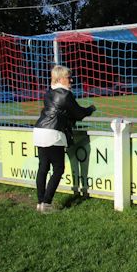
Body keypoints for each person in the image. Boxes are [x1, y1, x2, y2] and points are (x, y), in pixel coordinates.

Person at [33, 65, 95, 213]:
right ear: (60, 79)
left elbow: (63, 111)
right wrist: (91, 109)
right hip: (52, 134)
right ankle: (46, 204)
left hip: (39, 130)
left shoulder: (49, 93)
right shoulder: (65, 95)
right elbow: (79, 114)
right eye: (68, 77)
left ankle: (40, 202)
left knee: (43, 168)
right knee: (58, 169)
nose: (71, 80)